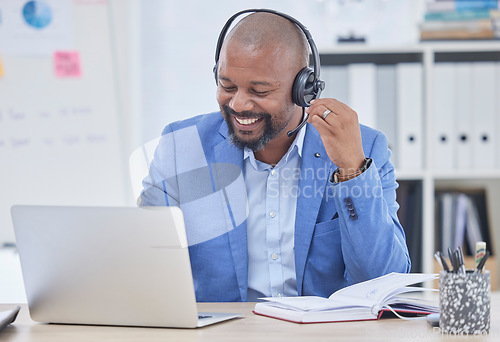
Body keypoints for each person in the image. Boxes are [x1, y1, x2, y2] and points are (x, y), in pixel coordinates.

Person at [140, 9, 411, 302]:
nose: (239, 104)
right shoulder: (182, 148)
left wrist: (352, 171)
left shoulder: (364, 148)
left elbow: (385, 282)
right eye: (227, 86)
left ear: (303, 89)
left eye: (259, 91)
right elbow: (144, 267)